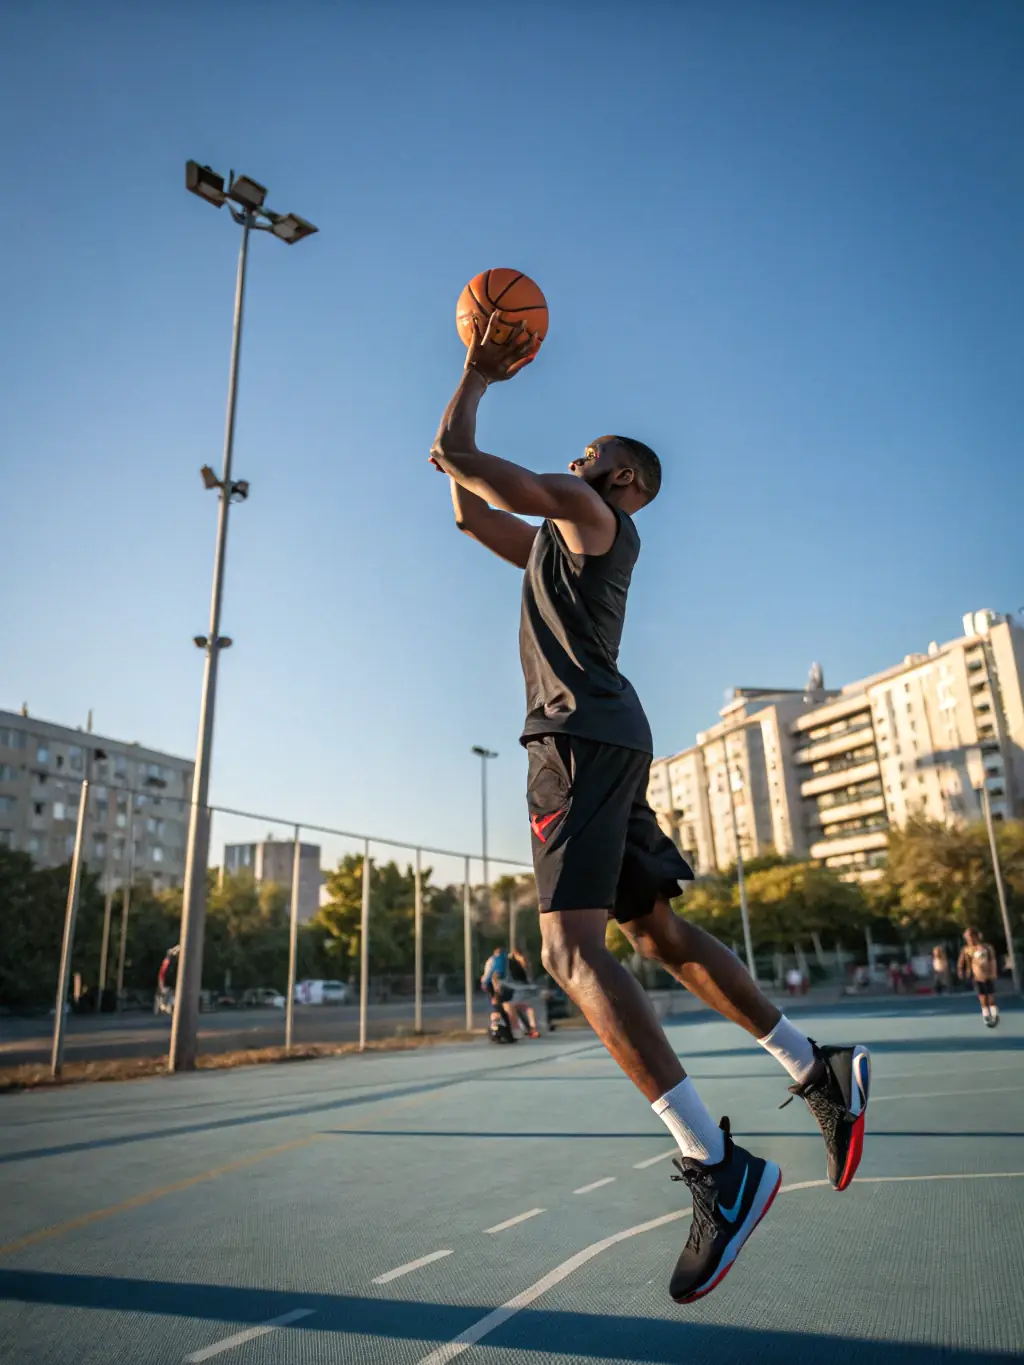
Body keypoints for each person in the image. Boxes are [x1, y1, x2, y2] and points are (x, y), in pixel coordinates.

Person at [430, 313, 871, 1305]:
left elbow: (467, 454)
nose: (574, 460)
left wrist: (473, 374)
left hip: (577, 740)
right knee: (656, 930)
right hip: (604, 735)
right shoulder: (555, 542)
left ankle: (717, 1163)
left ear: (623, 484)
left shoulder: (593, 520)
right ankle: (816, 1069)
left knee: (569, 953)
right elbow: (466, 502)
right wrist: (454, 442)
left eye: (591, 457)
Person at [957, 928, 1000, 1028]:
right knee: (982, 997)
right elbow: (961, 962)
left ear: (976, 936)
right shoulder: (966, 950)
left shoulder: (986, 947)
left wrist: (993, 972)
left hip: (988, 975)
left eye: (971, 937)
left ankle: (994, 1014)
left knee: (990, 996)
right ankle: (986, 1015)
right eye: (967, 937)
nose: (969, 939)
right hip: (976, 977)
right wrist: (960, 970)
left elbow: (992, 960)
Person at [508, 949, 542, 1036]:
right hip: (520, 988)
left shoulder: (512, 963)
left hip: (518, 989)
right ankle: (531, 1028)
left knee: (519, 1008)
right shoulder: (517, 964)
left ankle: (525, 1028)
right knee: (527, 1008)